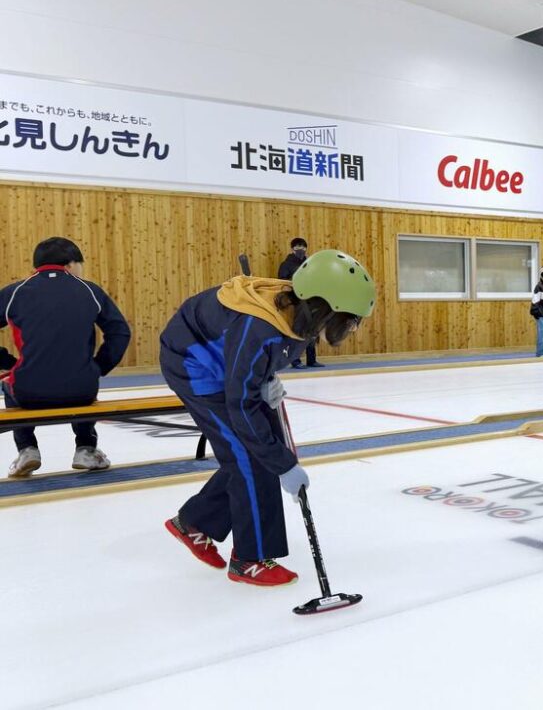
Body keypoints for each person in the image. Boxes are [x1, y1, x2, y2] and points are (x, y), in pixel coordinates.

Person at [161, 249, 375, 586]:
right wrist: (285, 465)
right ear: (325, 307)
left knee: (263, 451)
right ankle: (249, 559)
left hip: (229, 368)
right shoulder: (259, 326)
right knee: (250, 456)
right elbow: (240, 405)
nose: (350, 327)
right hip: (195, 367)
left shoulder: (302, 315)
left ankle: (194, 522)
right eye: (348, 319)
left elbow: (265, 356)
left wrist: (264, 376)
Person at [0, 237, 131, 478]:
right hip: (82, 390)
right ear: (70, 265)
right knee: (78, 377)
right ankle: (86, 448)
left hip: (29, 393)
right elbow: (120, 332)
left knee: (8, 383)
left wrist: (7, 363)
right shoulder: (90, 290)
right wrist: (98, 367)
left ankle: (27, 449)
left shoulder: (13, 292)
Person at [278, 238, 323, 368]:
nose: (301, 249)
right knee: (298, 330)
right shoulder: (286, 265)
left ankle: (311, 359)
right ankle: (295, 360)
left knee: (312, 329)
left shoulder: (310, 263)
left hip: (311, 299)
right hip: (297, 300)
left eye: (303, 247)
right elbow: (282, 281)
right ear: (292, 249)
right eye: (298, 247)